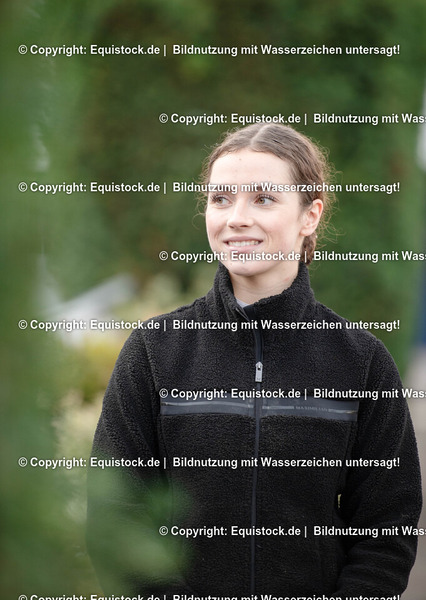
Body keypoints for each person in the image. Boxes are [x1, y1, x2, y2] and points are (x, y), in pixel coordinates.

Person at [87, 123, 422, 598]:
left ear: (310, 215)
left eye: (263, 199)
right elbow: (117, 517)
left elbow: (386, 529)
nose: (237, 218)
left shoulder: (362, 361)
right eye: (221, 199)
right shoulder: (153, 351)